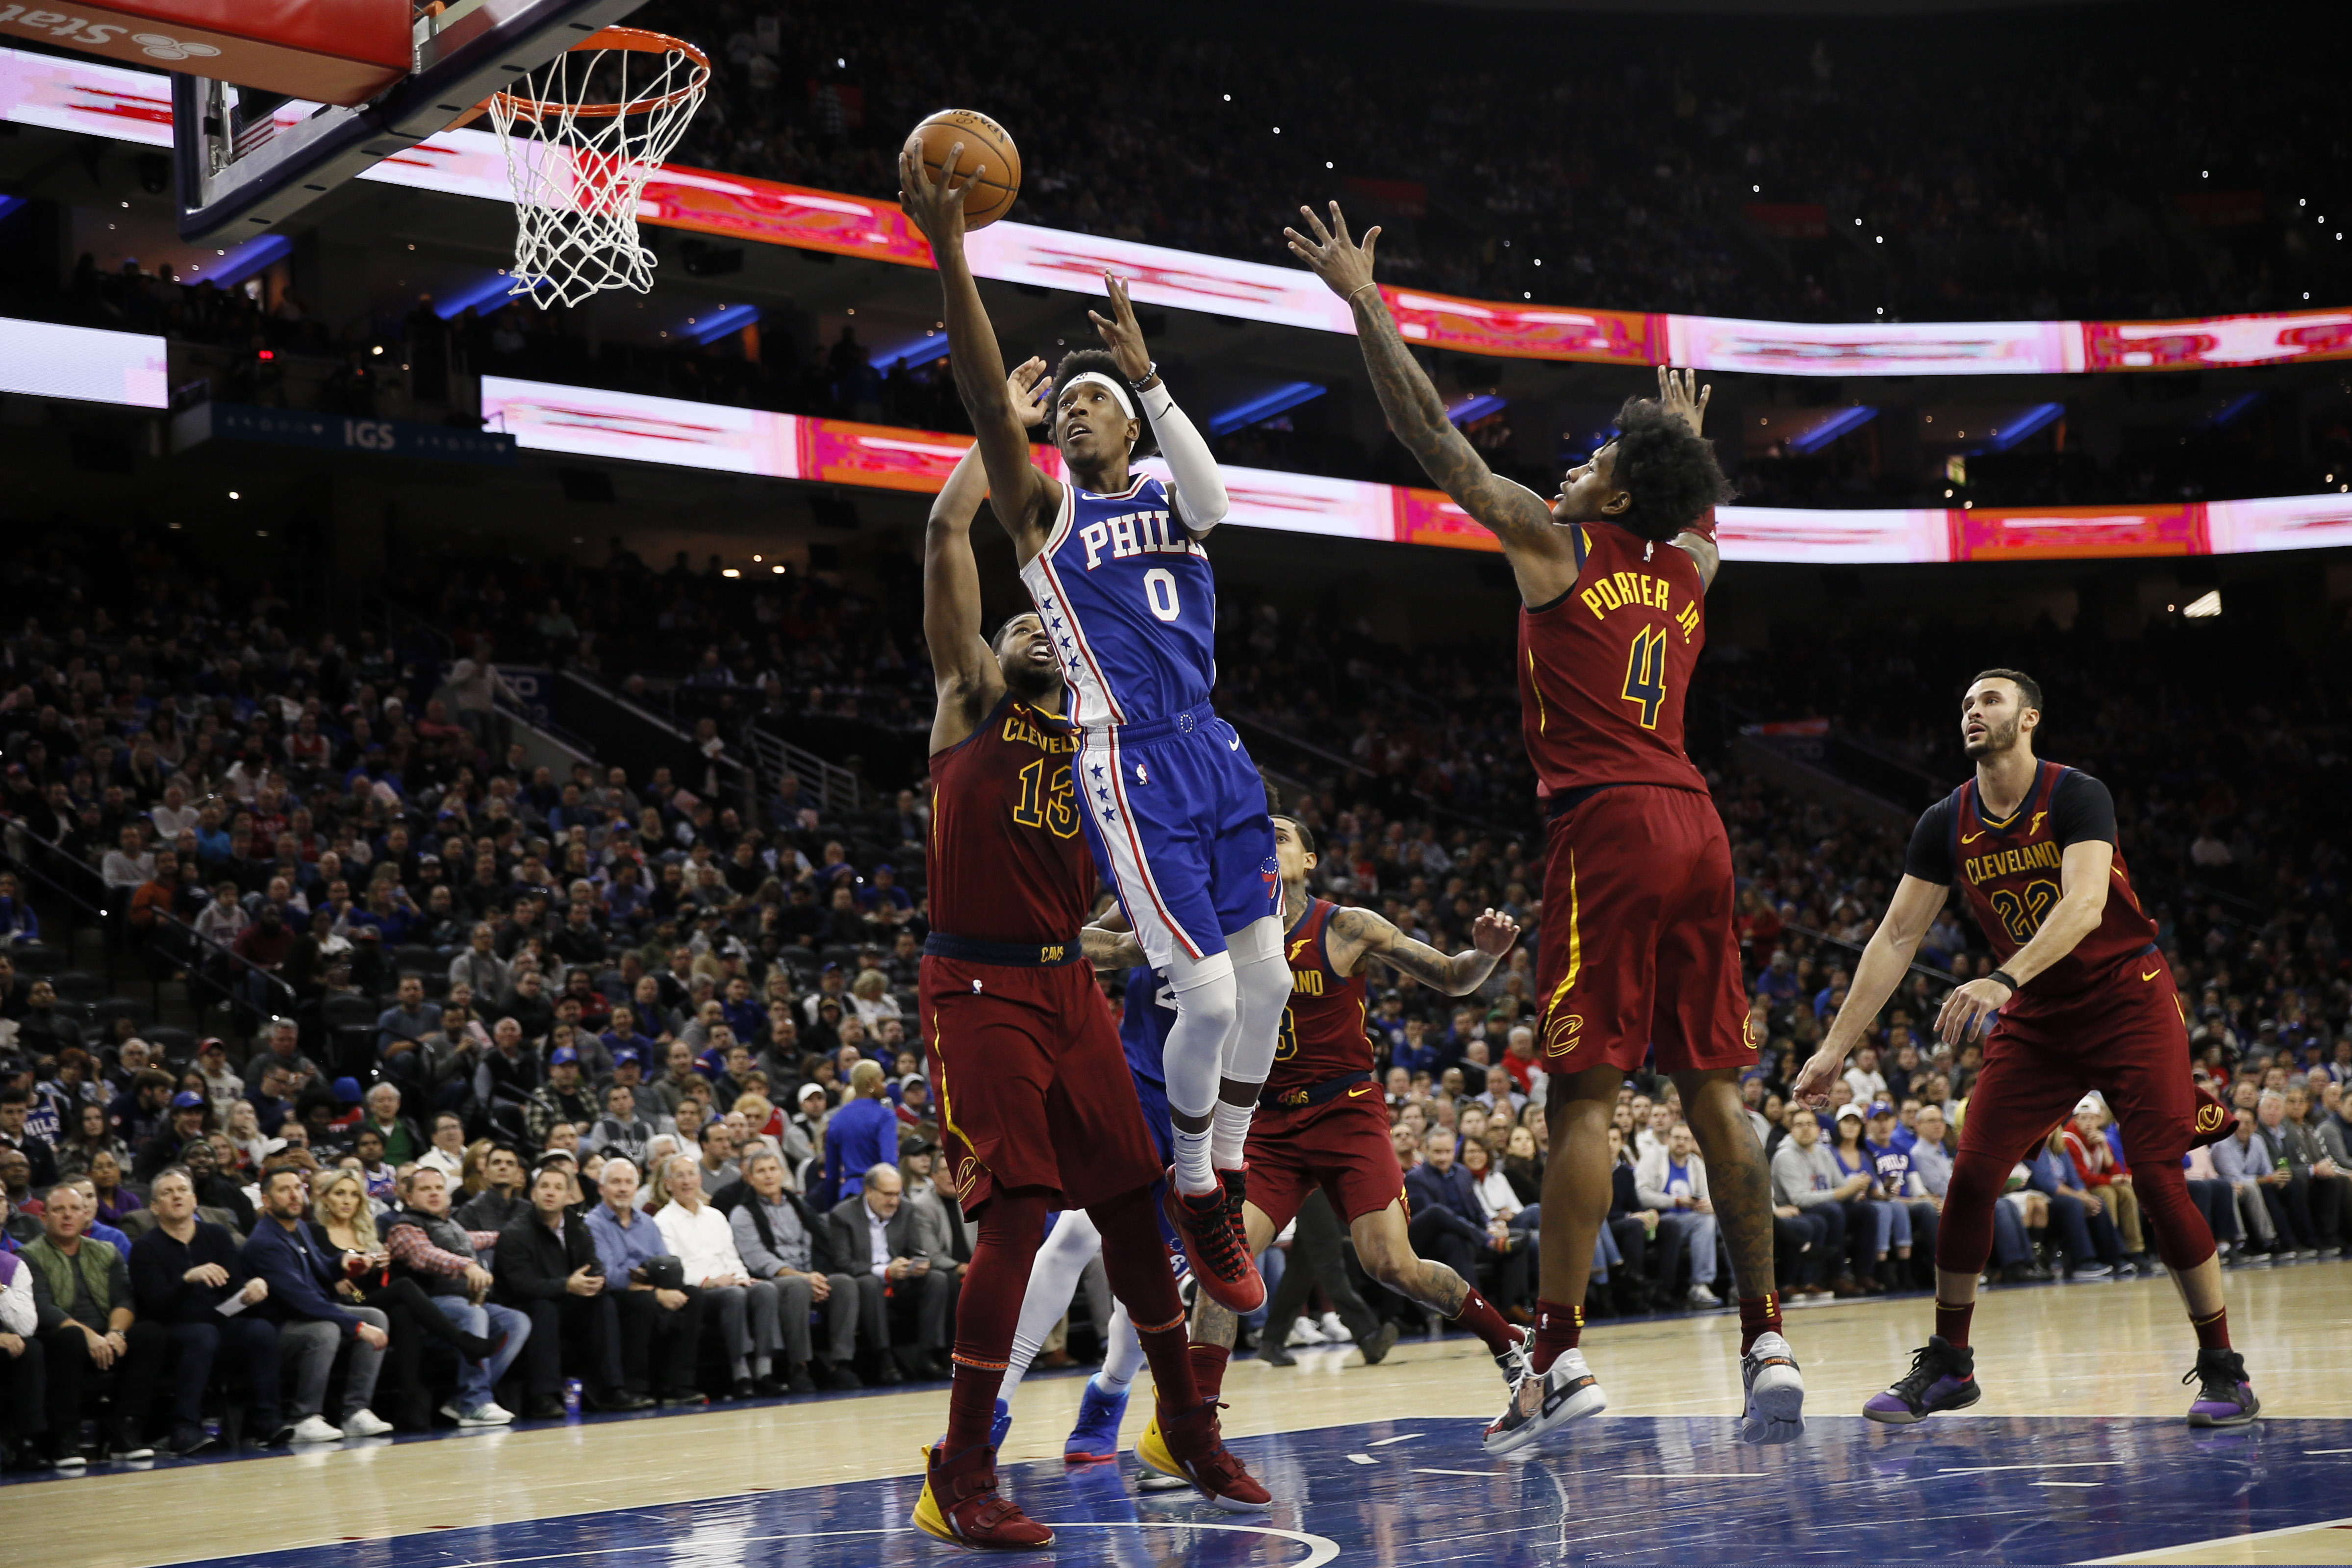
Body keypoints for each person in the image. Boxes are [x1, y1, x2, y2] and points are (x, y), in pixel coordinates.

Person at [1284, 204, 1799, 1454]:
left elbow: (1429, 437)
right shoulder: (1685, 571)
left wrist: (1364, 301)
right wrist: (1681, 441)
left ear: (1615, 487)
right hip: (1698, 819)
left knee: (1583, 1101)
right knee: (1717, 1089)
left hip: (1610, 819)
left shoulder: (1558, 545)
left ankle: (1557, 1358)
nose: (1573, 463)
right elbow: (1700, 520)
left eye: (1594, 456)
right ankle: (1767, 1334)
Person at [903, 152, 1290, 1326]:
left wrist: (1149, 380)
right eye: (1059, 410)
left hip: (1213, 742)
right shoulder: (1048, 512)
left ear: (1128, 424)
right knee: (1211, 1001)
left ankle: (1218, 1162)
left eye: (1089, 406)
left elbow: (1218, 505)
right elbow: (980, 408)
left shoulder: (1173, 497)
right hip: (1128, 752)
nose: (1071, 415)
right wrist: (952, 251)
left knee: (1267, 981)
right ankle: (1196, 1188)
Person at [885, 418, 1266, 1544]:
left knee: (1134, 1208)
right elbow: (944, 528)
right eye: (1016, 623)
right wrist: (995, 426)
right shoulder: (967, 698)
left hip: (1066, 989)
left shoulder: (1107, 734)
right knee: (1012, 1221)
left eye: (1042, 620)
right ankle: (960, 1466)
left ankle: (1186, 1424)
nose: (1030, 634)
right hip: (973, 986)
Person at [1795, 669, 2256, 1428]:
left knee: (2156, 1179)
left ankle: (2223, 1368)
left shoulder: (2076, 793)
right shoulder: (1945, 819)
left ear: (2030, 718)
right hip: (2039, 1018)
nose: (1974, 711)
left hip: (2126, 998)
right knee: (1972, 1175)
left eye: (1991, 699)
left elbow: (2084, 905)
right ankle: (1950, 1362)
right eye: (1967, 703)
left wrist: (2001, 978)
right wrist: (1834, 1048)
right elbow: (1897, 935)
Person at [1120, 813, 1528, 1402]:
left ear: (1310, 860)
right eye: (1260, 835)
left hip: (1347, 1110)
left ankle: (1508, 1344)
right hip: (1266, 1121)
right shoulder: (1217, 927)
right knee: (1223, 1266)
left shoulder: (1347, 927)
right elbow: (1116, 947)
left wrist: (1486, 956)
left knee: (1390, 1263)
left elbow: (1453, 977)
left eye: (1282, 836)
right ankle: (1193, 1422)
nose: (1268, 842)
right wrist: (1045, 938)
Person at [126, 1165, 278, 1455]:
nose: (177, 1197)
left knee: (260, 1330)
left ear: (195, 1200)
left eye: (183, 1190)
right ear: (155, 1207)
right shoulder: (145, 1247)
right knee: (203, 1336)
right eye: (167, 1193)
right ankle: (184, 1429)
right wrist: (187, 1279)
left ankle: (267, 1421)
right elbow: (157, 1305)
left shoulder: (216, 1235)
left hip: (218, 1321)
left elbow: (234, 1283)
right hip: (173, 1328)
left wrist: (253, 1286)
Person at [239, 1167, 394, 1443]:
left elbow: (320, 1271)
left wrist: (342, 1264)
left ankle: (356, 1412)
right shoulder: (266, 1242)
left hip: (317, 1311)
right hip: (281, 1326)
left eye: (298, 1187)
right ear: (267, 1199)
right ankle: (304, 1418)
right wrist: (357, 1327)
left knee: (377, 1316)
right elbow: (303, 1300)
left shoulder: (298, 1229)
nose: (294, 1195)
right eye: (284, 1190)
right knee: (326, 1330)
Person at [22, 1182, 169, 1462]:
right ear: (44, 1218)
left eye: (75, 1209)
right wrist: (90, 1336)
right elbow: (42, 1308)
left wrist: (116, 1334)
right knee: (70, 1339)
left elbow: (125, 1300)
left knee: (151, 1334)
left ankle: (125, 1430)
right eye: (59, 1210)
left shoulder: (106, 1250)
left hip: (105, 1335)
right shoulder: (28, 1256)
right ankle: (65, 1438)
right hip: (59, 1338)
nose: (67, 1216)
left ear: (87, 1214)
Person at [495, 1164, 650, 1417]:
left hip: (568, 1301)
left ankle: (612, 1390)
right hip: (527, 1305)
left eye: (558, 1188)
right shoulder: (515, 1233)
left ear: (569, 1197)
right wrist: (566, 1285)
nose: (550, 1193)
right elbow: (520, 1286)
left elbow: (594, 1265)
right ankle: (543, 1396)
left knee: (604, 1303)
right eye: (544, 1187)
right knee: (544, 1309)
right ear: (533, 1194)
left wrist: (595, 1281)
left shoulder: (578, 1227)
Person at [383, 1164, 531, 1426]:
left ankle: (464, 1399)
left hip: (464, 1305)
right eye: (425, 1189)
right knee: (472, 1313)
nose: (434, 1193)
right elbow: (424, 1254)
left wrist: (518, 1235)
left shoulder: (451, 1225)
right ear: (409, 1198)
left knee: (517, 1322)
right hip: (429, 1312)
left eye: (439, 1188)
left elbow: (483, 1238)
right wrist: (466, 1265)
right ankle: (475, 1401)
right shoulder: (404, 1228)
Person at [725, 1145, 860, 1392]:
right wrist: (805, 1278)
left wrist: (816, 1276)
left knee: (844, 1283)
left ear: (782, 1173)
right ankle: (799, 1366)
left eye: (773, 1169)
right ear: (750, 1178)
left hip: (809, 1273)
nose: (768, 1176)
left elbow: (820, 1242)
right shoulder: (742, 1214)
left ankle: (841, 1364)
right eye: (761, 1171)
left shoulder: (798, 1205)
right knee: (797, 1286)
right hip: (772, 1279)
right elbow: (758, 1259)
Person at [654, 1151, 782, 1398]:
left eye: (691, 1174)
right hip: (699, 1291)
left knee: (765, 1290)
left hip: (729, 1282)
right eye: (679, 1176)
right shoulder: (663, 1222)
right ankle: (741, 1374)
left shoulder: (716, 1216)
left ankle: (765, 1372)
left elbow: (731, 1257)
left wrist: (743, 1276)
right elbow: (675, 1270)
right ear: (668, 1184)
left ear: (700, 1179)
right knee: (733, 1296)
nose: (687, 1181)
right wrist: (709, 1282)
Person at [582, 1159, 706, 1406]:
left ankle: (676, 1385)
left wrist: (660, 1285)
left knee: (694, 1296)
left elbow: (665, 1265)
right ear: (601, 1188)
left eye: (629, 1183)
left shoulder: (647, 1223)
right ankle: (636, 1387)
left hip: (650, 1287)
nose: (623, 1189)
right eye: (616, 1182)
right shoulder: (593, 1224)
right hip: (615, 1295)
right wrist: (656, 1291)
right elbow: (609, 1275)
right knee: (645, 1302)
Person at [1638, 1123, 1724, 1308]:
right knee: (1705, 1222)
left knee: (1731, 1223)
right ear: (1668, 1139)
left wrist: (1709, 1205)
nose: (1681, 1143)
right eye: (1677, 1138)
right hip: (1662, 1219)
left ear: (1692, 1142)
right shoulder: (1653, 1159)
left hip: (1692, 1218)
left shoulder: (1696, 1164)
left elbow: (1707, 1195)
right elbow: (1643, 1194)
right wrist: (1676, 1201)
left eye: (1686, 1139)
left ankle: (1740, 1287)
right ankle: (1700, 1285)